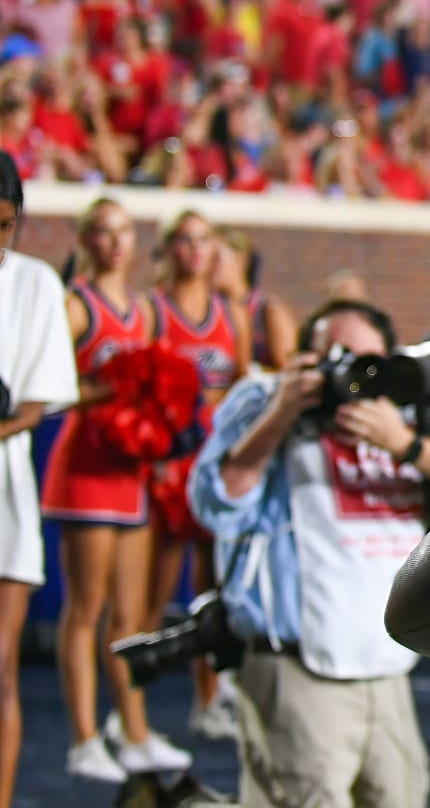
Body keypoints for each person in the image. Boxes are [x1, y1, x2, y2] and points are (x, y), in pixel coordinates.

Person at [187, 299, 430, 808]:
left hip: (388, 663)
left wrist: (406, 444)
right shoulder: (263, 398)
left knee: (402, 796)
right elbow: (216, 502)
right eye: (336, 355)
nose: (353, 373)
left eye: (367, 359)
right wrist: (282, 411)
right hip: (297, 666)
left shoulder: (406, 411)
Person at [42, 199, 191, 781]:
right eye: (102, 233)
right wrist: (103, 389)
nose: (115, 242)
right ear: (86, 240)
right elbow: (47, 388)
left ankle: (131, 729)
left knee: (131, 614)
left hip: (133, 467)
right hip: (86, 466)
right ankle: (83, 737)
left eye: (124, 231)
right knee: (87, 609)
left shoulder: (147, 310)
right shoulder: (76, 305)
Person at [0, 152, 82, 808]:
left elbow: (38, 401)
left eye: (4, 225)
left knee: (0, 671)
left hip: (7, 502)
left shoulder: (34, 285)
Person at [148, 209, 249, 738]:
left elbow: (245, 386)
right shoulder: (153, 309)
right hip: (169, 458)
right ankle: (132, 713)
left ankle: (209, 699)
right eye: (182, 240)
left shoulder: (230, 311)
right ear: (168, 249)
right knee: (156, 586)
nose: (193, 250)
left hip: (214, 459)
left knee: (214, 586)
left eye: (202, 240)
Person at [214, 227, 297, 373]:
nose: (207, 266)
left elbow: (288, 369)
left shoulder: (268, 311)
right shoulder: (214, 312)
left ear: (240, 259)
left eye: (215, 258)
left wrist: (250, 372)